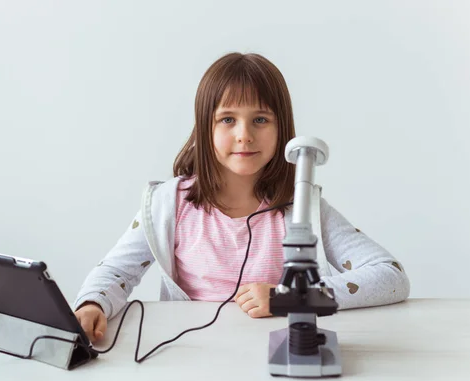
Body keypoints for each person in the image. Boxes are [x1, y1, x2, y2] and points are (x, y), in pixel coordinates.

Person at [72, 52, 410, 343]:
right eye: (228, 119)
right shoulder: (167, 205)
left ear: (283, 130)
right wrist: (92, 305)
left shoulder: (303, 210)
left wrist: (289, 298)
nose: (244, 135)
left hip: (271, 362)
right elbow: (117, 271)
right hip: (187, 366)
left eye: (260, 119)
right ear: (206, 129)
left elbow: (390, 277)